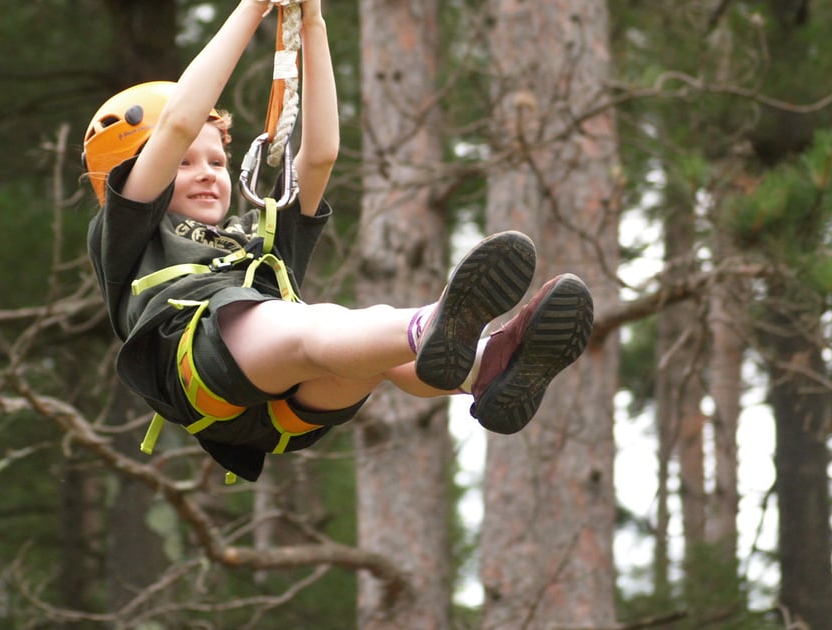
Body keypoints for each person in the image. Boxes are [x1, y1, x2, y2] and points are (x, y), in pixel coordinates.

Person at [83, 0, 595, 482]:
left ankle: (484, 366)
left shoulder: (253, 236)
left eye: (217, 162)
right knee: (322, 325)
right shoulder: (130, 228)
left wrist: (313, 24)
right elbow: (178, 121)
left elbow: (321, 154)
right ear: (130, 174)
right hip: (200, 368)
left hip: (288, 416)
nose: (207, 175)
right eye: (184, 161)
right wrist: (253, 7)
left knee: (372, 353)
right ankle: (432, 324)